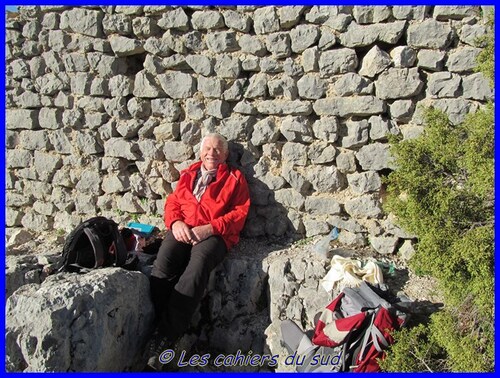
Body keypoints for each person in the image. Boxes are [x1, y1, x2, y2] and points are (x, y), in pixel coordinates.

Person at [146, 133, 250, 370]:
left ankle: (166, 337)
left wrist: (211, 228)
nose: (211, 153)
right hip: (185, 227)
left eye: (217, 149)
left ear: (225, 155)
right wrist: (175, 223)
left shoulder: (235, 178)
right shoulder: (189, 173)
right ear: (200, 152)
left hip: (216, 234)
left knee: (197, 267)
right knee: (163, 264)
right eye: (208, 148)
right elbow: (173, 202)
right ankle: (162, 324)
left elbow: (239, 214)